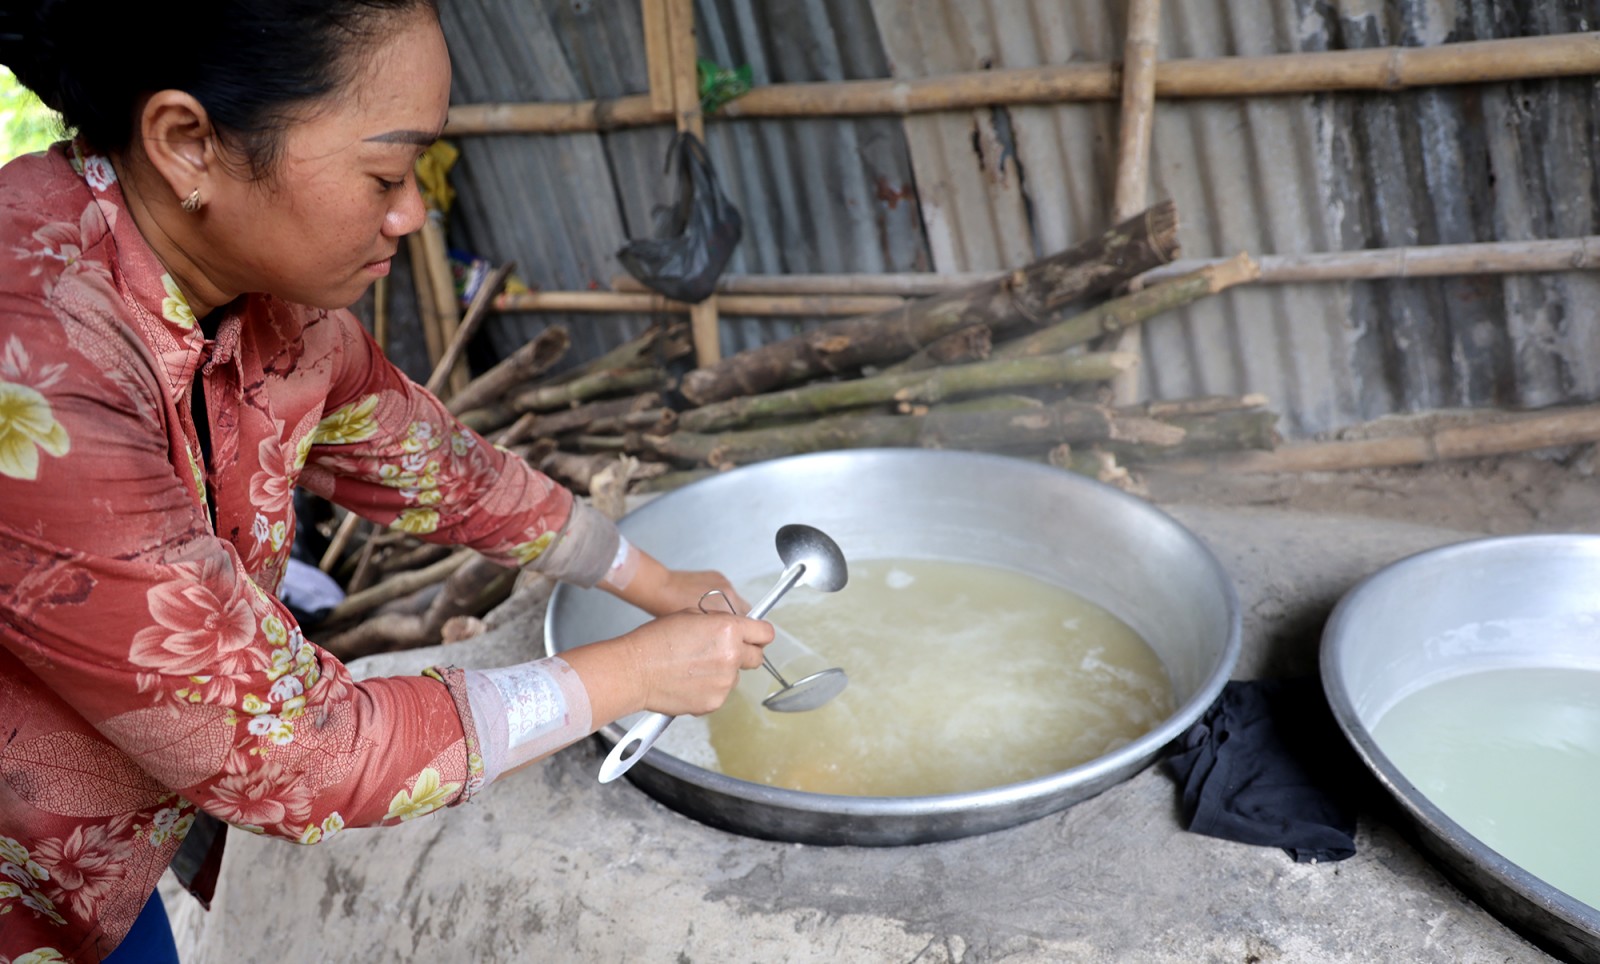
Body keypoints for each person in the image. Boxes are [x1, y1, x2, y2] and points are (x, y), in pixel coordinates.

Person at [0, 2, 774, 960]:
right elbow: (297, 752)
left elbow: (439, 465)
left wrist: (650, 580)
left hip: (95, 870)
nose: (412, 212)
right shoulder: (32, 360)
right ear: (187, 141)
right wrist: (633, 671)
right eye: (384, 174)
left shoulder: (268, 306)